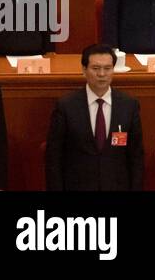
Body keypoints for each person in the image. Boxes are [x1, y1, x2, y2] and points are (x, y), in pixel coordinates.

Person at [45, 43, 143, 191]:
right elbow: (54, 157)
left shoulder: (129, 105)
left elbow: (136, 157)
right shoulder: (66, 106)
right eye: (96, 68)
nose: (102, 74)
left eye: (107, 68)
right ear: (84, 70)